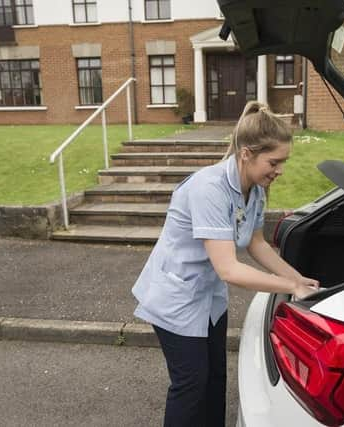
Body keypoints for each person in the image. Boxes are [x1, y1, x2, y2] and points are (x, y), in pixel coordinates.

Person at [131, 100, 320, 427]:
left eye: (283, 161)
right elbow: (229, 269)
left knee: (216, 377)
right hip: (175, 297)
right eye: (274, 162)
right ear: (246, 154)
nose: (280, 170)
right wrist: (290, 287)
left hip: (208, 298)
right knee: (190, 383)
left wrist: (300, 279)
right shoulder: (210, 188)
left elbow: (256, 244)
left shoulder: (256, 188)